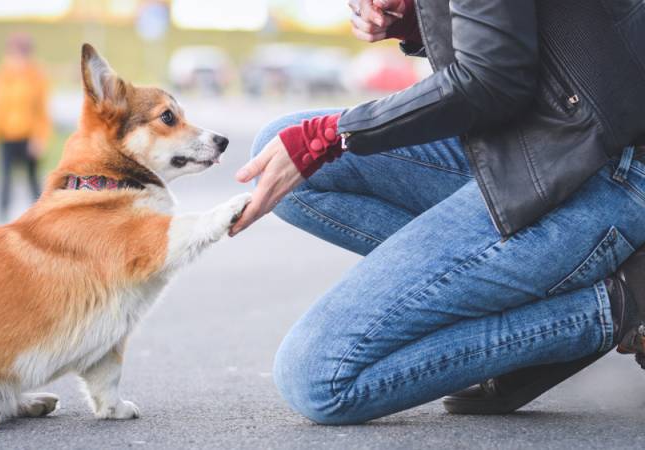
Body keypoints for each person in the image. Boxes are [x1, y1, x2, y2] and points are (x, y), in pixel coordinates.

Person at [230, 0, 645, 424]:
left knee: (318, 378)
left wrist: (329, 137)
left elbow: (492, 81)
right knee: (282, 157)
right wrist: (413, 21)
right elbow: (515, 44)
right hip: (538, 137)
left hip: (600, 167)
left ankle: (619, 302)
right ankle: (525, 300)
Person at [0, 32, 51, 222]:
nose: (19, 59)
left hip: (28, 137)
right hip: (6, 137)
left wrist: (40, 138)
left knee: (33, 181)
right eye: (15, 54)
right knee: (5, 181)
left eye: (23, 54)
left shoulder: (37, 76)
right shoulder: (0, 76)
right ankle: (1, 219)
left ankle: (41, 219)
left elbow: (42, 111)